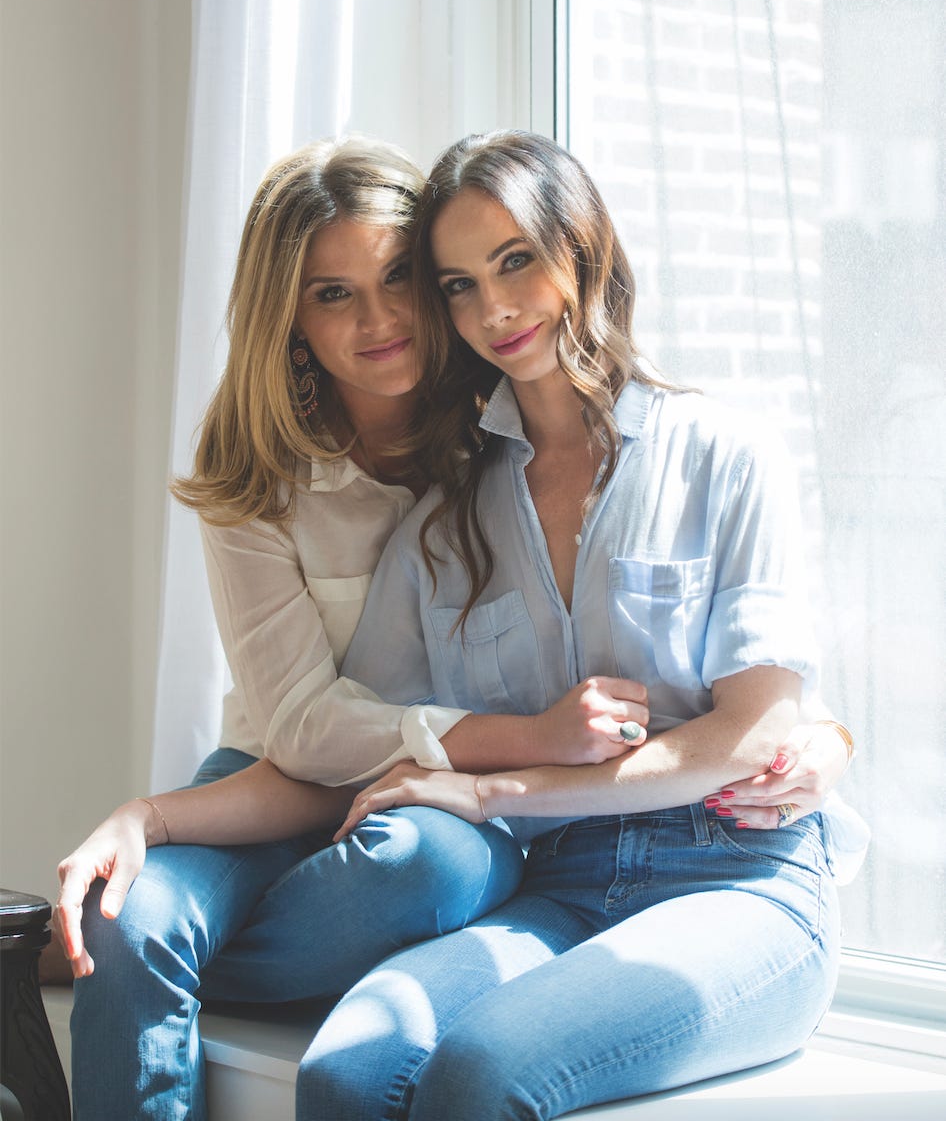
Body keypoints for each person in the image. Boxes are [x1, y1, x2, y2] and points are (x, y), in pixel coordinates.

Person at [53, 134, 857, 1121]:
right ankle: (159, 944)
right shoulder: (445, 513)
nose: (494, 307)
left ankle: (166, 945)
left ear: (583, 244)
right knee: (328, 1058)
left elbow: (754, 724)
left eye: (513, 260)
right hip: (502, 857)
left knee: (470, 1039)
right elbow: (315, 739)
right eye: (461, 283)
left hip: (714, 869)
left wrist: (820, 733)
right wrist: (153, 813)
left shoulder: (719, 451)